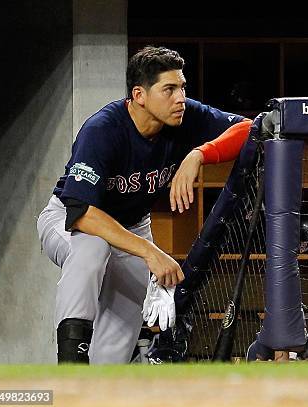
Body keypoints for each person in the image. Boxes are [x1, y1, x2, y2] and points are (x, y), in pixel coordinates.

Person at [36, 46, 252, 364]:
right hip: (68, 221)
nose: (180, 97)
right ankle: (69, 367)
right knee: (93, 248)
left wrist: (200, 154)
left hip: (133, 229)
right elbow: (82, 214)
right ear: (139, 94)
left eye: (182, 87)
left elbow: (252, 129)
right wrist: (151, 252)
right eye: (169, 89)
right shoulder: (103, 130)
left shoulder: (185, 117)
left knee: (117, 345)